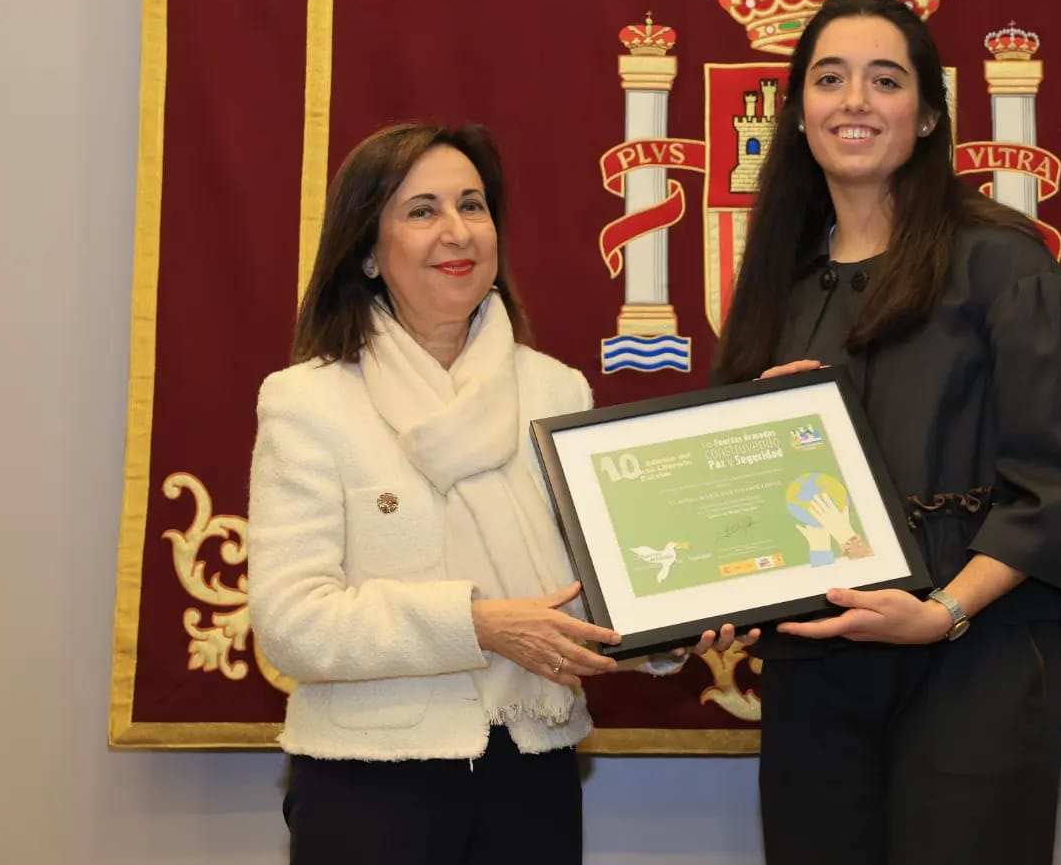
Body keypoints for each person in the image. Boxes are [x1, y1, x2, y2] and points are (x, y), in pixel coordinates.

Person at [247, 122, 741, 864]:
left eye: (472, 206)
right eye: (422, 211)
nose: (458, 232)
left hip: (531, 771)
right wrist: (473, 622)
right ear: (368, 253)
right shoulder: (307, 402)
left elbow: (588, 591)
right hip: (370, 782)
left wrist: (672, 620)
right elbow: (293, 623)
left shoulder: (556, 387)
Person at [712, 0, 1061, 865]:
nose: (854, 100)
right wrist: (709, 592)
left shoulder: (1003, 265)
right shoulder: (777, 285)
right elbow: (731, 496)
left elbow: (1058, 487)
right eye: (829, 78)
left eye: (884, 80)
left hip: (974, 664)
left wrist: (942, 613)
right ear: (798, 113)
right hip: (813, 679)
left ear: (928, 115)